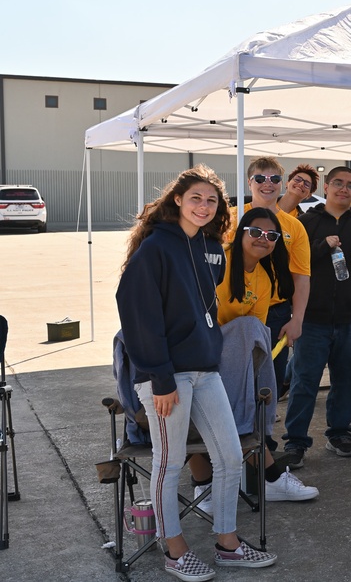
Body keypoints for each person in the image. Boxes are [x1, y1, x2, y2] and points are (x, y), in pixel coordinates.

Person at [116, 165, 277, 580]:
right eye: (195, 198)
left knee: (229, 457)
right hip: (168, 377)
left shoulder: (209, 248)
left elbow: (208, 304)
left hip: (206, 371)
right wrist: (161, 379)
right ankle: (175, 550)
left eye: (211, 200)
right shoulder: (156, 247)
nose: (203, 206)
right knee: (168, 465)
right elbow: (138, 315)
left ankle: (228, 544)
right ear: (177, 201)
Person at [189, 207, 318, 511]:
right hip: (193, 349)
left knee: (250, 390)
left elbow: (254, 339)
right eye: (256, 232)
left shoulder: (265, 278)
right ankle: (207, 486)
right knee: (196, 404)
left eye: (271, 235)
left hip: (227, 358)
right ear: (240, 231)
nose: (264, 239)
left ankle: (267, 479)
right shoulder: (216, 259)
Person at [282, 167, 351, 465]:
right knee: (305, 381)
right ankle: (295, 442)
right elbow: (290, 263)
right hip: (312, 318)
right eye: (338, 183)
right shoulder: (305, 223)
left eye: (350, 185)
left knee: (347, 381)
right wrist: (320, 247)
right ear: (326, 187)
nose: (344, 189)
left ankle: (339, 433)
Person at [227, 157, 311, 401]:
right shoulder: (231, 218)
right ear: (249, 182)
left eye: (274, 179)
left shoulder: (294, 227)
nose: (267, 184)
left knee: (267, 382)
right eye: (260, 178)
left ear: (281, 183)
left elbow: (301, 277)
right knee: (232, 380)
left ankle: (263, 435)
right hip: (231, 310)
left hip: (275, 314)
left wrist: (297, 320)